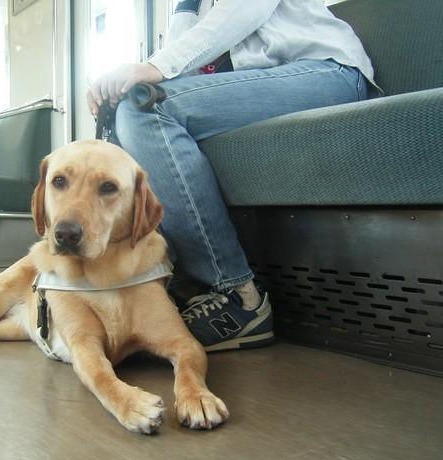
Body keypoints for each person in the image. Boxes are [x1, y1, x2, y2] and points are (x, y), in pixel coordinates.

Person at [86, 0, 377, 351]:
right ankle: (166, 283)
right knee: (126, 112)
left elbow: (240, 13)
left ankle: (239, 297)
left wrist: (153, 67)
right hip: (261, 84)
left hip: (327, 73)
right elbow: (187, 65)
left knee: (146, 106)